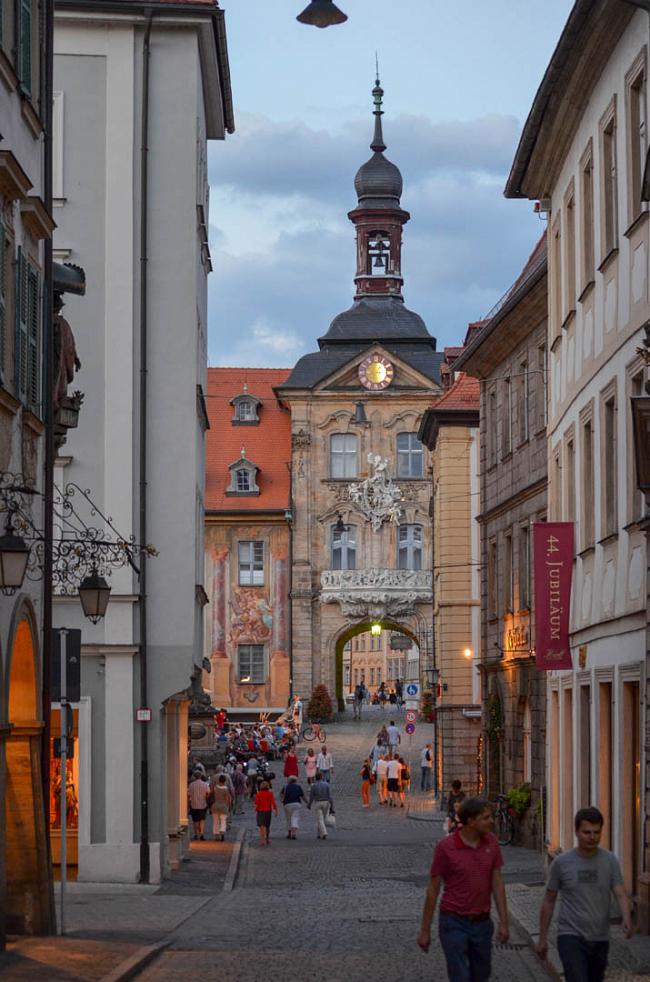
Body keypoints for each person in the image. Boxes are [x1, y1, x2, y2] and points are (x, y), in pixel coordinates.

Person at [535, 807, 632, 981]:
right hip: (570, 936)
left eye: (596, 832)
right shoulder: (561, 863)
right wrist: (542, 938)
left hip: (600, 937)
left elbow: (620, 892)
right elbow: (549, 901)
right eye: (587, 832)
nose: (592, 837)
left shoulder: (609, 860)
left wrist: (626, 917)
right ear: (576, 832)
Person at [417, 797, 509, 980]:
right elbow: (433, 889)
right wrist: (425, 930)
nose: (491, 821)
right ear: (470, 822)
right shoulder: (446, 847)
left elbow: (497, 883)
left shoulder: (491, 843)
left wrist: (504, 923)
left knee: (481, 974)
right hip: (453, 921)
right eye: (486, 818)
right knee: (459, 975)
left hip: (482, 923)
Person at [308, 771, 333, 839]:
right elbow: (330, 796)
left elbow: (311, 796)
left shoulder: (314, 786)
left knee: (320, 819)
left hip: (318, 803)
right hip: (326, 802)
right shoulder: (326, 784)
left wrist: (309, 804)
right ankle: (319, 833)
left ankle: (324, 832)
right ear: (322, 777)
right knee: (323, 818)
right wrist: (332, 806)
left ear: (316, 778)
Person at [187, 770, 211, 841]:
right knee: (202, 820)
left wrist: (188, 803)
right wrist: (206, 797)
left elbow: (188, 795)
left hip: (194, 804)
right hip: (203, 804)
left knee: (195, 820)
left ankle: (196, 834)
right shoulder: (205, 784)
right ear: (201, 776)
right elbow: (208, 793)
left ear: (194, 776)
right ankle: (202, 834)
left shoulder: (191, 785)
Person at [281, 775, 306, 839]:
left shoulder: (285, 787)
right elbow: (302, 796)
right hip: (296, 804)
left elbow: (281, 794)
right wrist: (307, 803)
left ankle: (289, 833)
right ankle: (294, 833)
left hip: (287, 804)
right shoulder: (298, 787)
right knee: (295, 818)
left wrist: (282, 800)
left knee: (288, 818)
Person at [254, 780, 277, 846]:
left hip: (260, 811)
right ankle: (267, 839)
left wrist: (255, 809)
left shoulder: (258, 793)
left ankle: (262, 841)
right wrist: (276, 810)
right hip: (268, 811)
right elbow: (273, 802)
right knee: (267, 826)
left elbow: (257, 803)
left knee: (261, 827)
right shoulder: (270, 793)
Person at [211, 774, 232, 841]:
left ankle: (216, 834)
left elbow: (211, 794)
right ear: (225, 781)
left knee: (215, 821)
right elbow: (228, 799)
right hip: (223, 806)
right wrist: (229, 805)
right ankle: (222, 832)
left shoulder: (215, 787)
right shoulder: (226, 789)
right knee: (223, 820)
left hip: (215, 805)